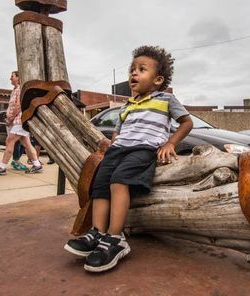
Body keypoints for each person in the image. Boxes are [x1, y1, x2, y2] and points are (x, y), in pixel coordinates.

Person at [64, 45, 193, 272]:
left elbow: (187, 122)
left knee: (119, 181)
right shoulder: (128, 105)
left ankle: (116, 238)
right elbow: (118, 130)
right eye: (132, 69)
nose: (133, 73)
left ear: (158, 79)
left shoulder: (166, 99)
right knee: (101, 184)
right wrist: (114, 141)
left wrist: (170, 143)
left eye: (141, 69)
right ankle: (97, 232)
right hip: (118, 150)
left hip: (143, 150)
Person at [0, 71, 44, 175]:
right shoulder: (14, 90)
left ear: (18, 78)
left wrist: (10, 118)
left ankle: (2, 167)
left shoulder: (19, 89)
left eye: (12, 76)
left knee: (10, 141)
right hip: (18, 121)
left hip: (19, 120)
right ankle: (37, 165)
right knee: (27, 144)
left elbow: (19, 106)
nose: (10, 78)